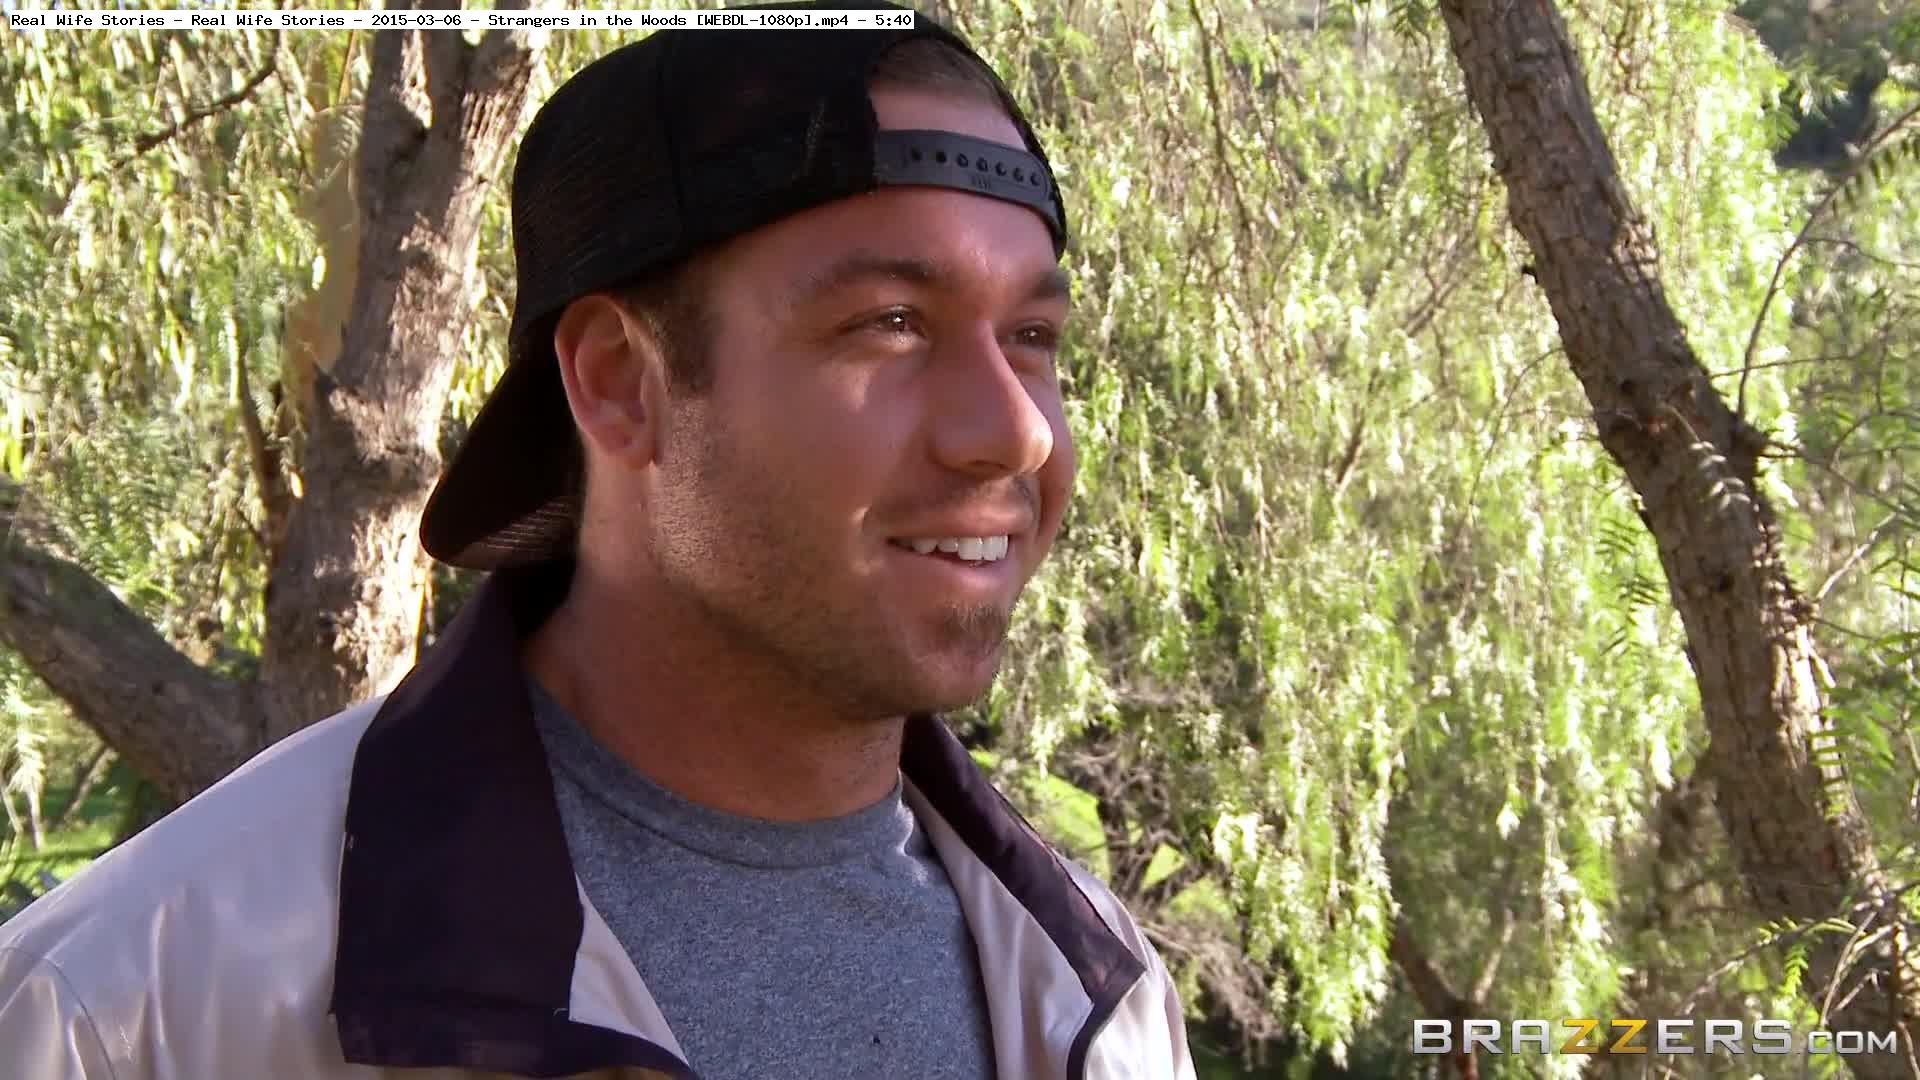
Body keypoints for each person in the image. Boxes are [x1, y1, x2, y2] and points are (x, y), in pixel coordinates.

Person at [0, 4, 1198, 1077]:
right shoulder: (129, 1012)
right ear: (621, 382)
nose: (1015, 432)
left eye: (1032, 339)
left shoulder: (1100, 998)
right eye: (891, 323)